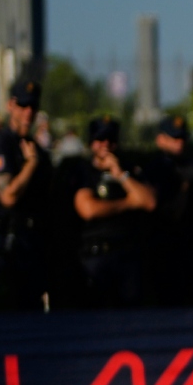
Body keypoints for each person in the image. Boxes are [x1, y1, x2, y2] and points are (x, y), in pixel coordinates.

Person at [66, 115, 157, 308]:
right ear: (91, 143)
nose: (105, 145)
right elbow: (88, 209)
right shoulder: (84, 171)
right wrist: (128, 203)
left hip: (127, 256)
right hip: (97, 256)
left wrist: (121, 175)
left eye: (110, 139)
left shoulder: (129, 169)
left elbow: (149, 202)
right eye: (100, 139)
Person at [0, 79, 55, 310]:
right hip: (13, 243)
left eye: (32, 107)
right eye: (23, 106)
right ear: (10, 106)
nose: (28, 112)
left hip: (38, 242)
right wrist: (30, 165)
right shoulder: (1, 144)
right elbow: (7, 197)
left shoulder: (36, 148)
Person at [146, 113, 193, 305]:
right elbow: (164, 213)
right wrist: (184, 189)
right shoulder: (156, 169)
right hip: (167, 250)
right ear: (161, 139)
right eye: (174, 138)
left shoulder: (190, 165)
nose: (179, 143)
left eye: (182, 138)